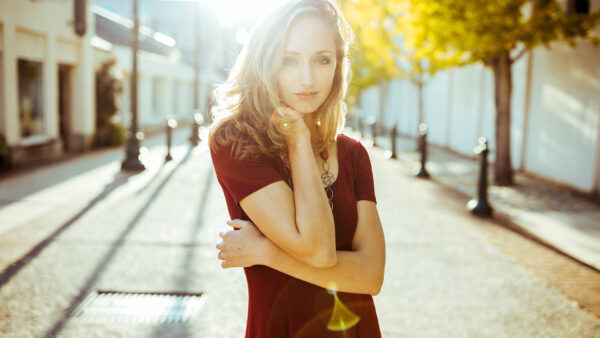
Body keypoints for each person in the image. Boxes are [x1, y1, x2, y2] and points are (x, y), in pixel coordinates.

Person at [208, 0, 386, 336]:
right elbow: (318, 250)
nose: (308, 78)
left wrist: (264, 252)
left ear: (337, 66)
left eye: (322, 60)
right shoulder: (236, 141)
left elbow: (372, 276)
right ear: (266, 62)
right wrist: (299, 143)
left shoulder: (353, 154)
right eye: (290, 60)